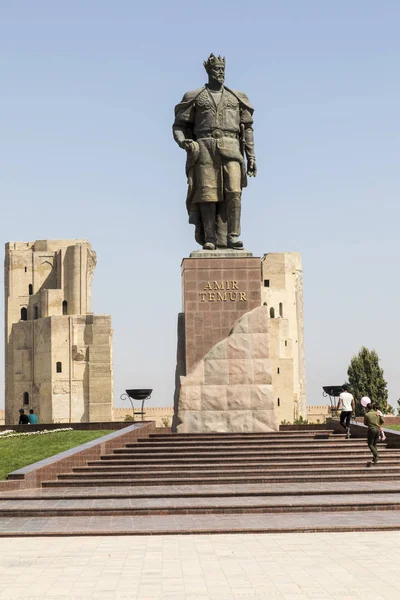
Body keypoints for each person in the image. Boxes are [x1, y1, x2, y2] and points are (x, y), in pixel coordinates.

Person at [173, 54, 257, 250]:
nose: (220, 73)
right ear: (209, 71)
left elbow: (248, 128)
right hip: (204, 148)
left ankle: (233, 236)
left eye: (222, 70)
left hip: (231, 147)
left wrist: (251, 156)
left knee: (234, 191)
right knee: (207, 195)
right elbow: (179, 126)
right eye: (216, 70)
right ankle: (210, 237)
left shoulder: (236, 97)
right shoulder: (195, 97)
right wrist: (184, 142)